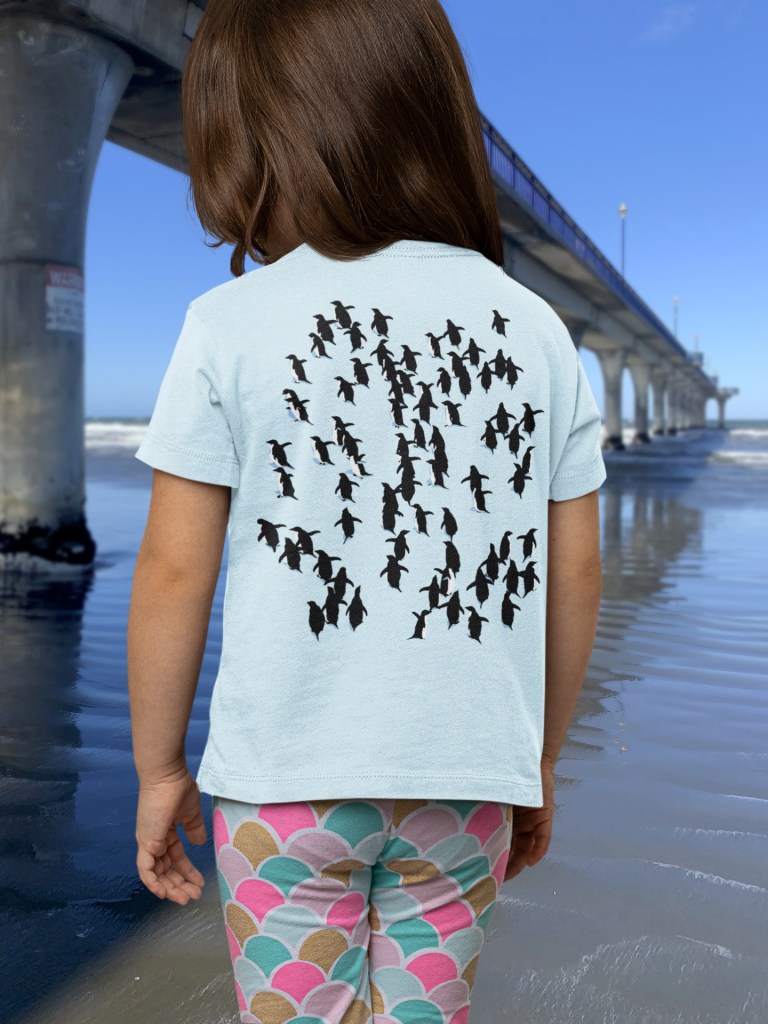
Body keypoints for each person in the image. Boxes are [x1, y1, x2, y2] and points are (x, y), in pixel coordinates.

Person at [127, 0, 606, 1020]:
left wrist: (160, 766)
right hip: (465, 784)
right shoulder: (538, 330)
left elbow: (174, 571)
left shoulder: (227, 324)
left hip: (284, 786)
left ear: (246, 143)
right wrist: (541, 758)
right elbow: (573, 575)